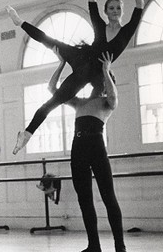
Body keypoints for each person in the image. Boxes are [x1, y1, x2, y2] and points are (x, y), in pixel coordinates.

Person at [8, 0, 144, 155]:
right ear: (106, 12)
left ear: (122, 11)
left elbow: (140, 7)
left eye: (118, 8)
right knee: (50, 42)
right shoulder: (100, 25)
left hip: (97, 71)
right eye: (111, 8)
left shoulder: (126, 32)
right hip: (81, 58)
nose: (114, 11)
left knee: (72, 102)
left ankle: (86, 142)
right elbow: (91, 0)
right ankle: (19, 22)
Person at [48, 49, 125, 252]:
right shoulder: (80, 103)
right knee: (85, 199)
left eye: (103, 81)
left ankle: (120, 246)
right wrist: (62, 63)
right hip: (78, 148)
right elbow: (52, 88)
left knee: (108, 197)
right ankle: (94, 246)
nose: (98, 83)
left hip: (96, 147)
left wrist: (106, 70)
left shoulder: (108, 103)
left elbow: (113, 94)